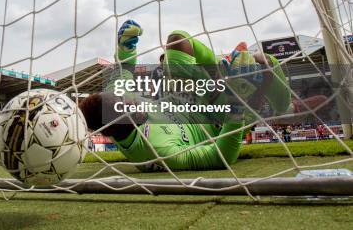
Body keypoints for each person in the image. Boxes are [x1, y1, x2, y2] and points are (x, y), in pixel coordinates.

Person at [80, 20, 317, 171]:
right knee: (264, 63)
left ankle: (222, 67)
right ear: (124, 120)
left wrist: (126, 47)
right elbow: (220, 157)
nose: (133, 97)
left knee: (177, 40)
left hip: (188, 95)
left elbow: (124, 69)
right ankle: (285, 108)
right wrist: (237, 104)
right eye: (129, 103)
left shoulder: (115, 101)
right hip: (217, 122)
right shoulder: (161, 153)